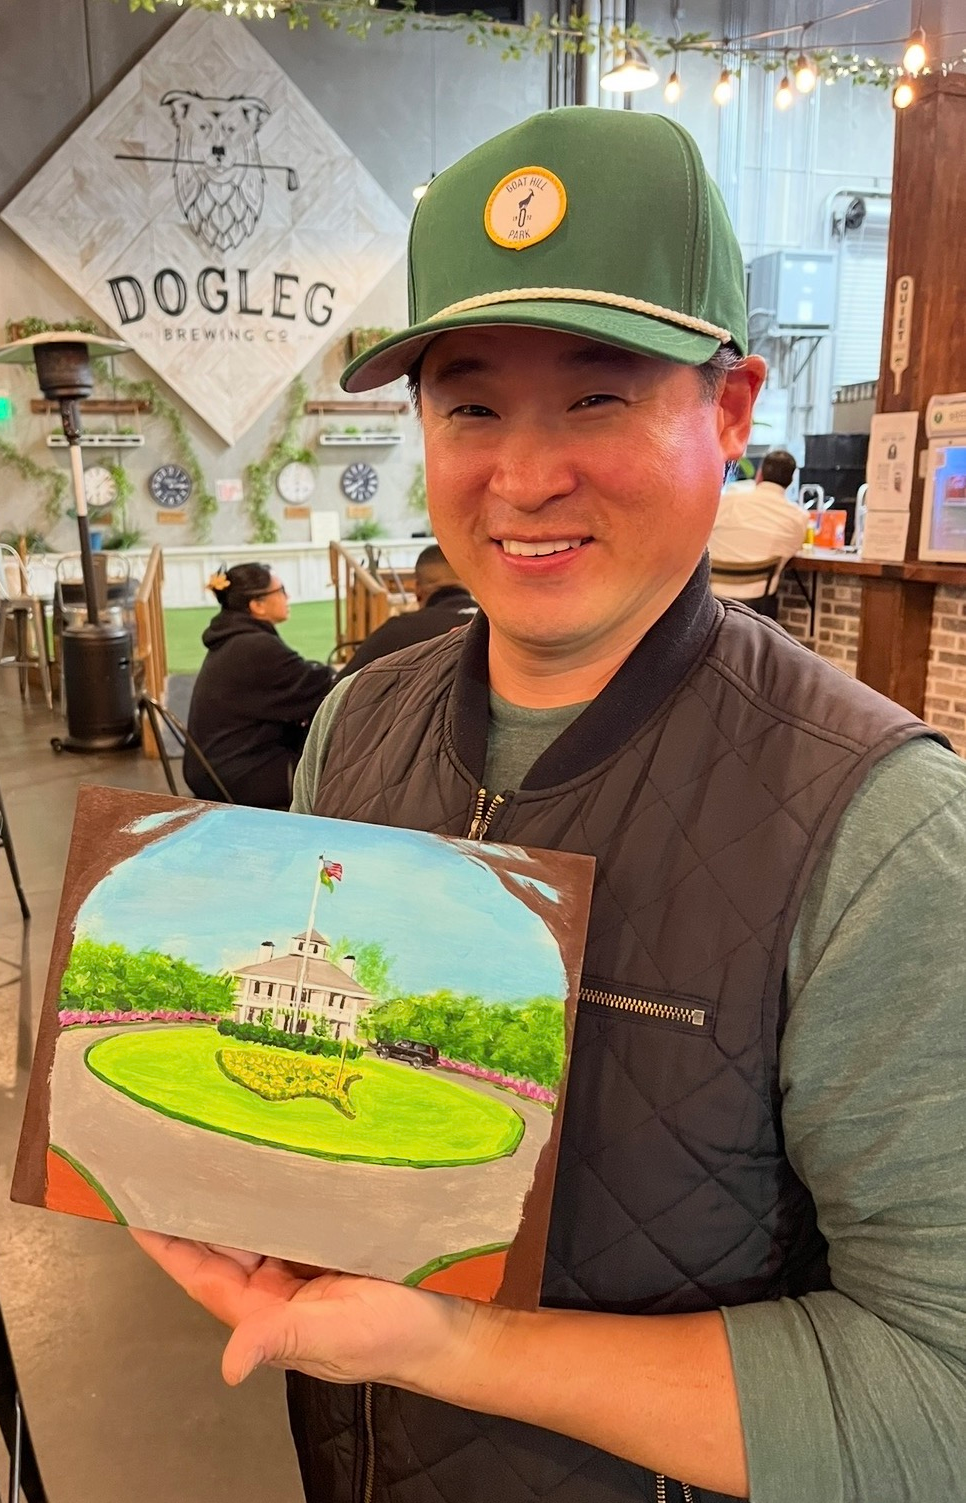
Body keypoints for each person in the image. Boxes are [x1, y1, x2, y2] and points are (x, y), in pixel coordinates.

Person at [138, 108, 966, 1503]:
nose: (523, 479)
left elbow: (941, 1395)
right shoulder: (356, 722)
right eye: (470, 406)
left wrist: (460, 1348)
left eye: (597, 398)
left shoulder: (881, 830)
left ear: (731, 408)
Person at [183, 562, 335, 808]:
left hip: (212, 769)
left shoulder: (235, 638)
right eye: (281, 590)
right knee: (337, 765)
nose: (288, 596)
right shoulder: (255, 646)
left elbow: (300, 680)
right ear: (257, 605)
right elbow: (318, 687)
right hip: (237, 775)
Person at [339, 543, 478, 676]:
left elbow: (339, 688)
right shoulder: (488, 625)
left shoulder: (396, 632)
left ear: (417, 590)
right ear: (469, 581)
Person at [708, 449, 808, 613]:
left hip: (712, 598)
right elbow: (789, 551)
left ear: (760, 474)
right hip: (759, 606)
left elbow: (704, 538)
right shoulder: (798, 517)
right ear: (791, 481)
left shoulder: (728, 500)